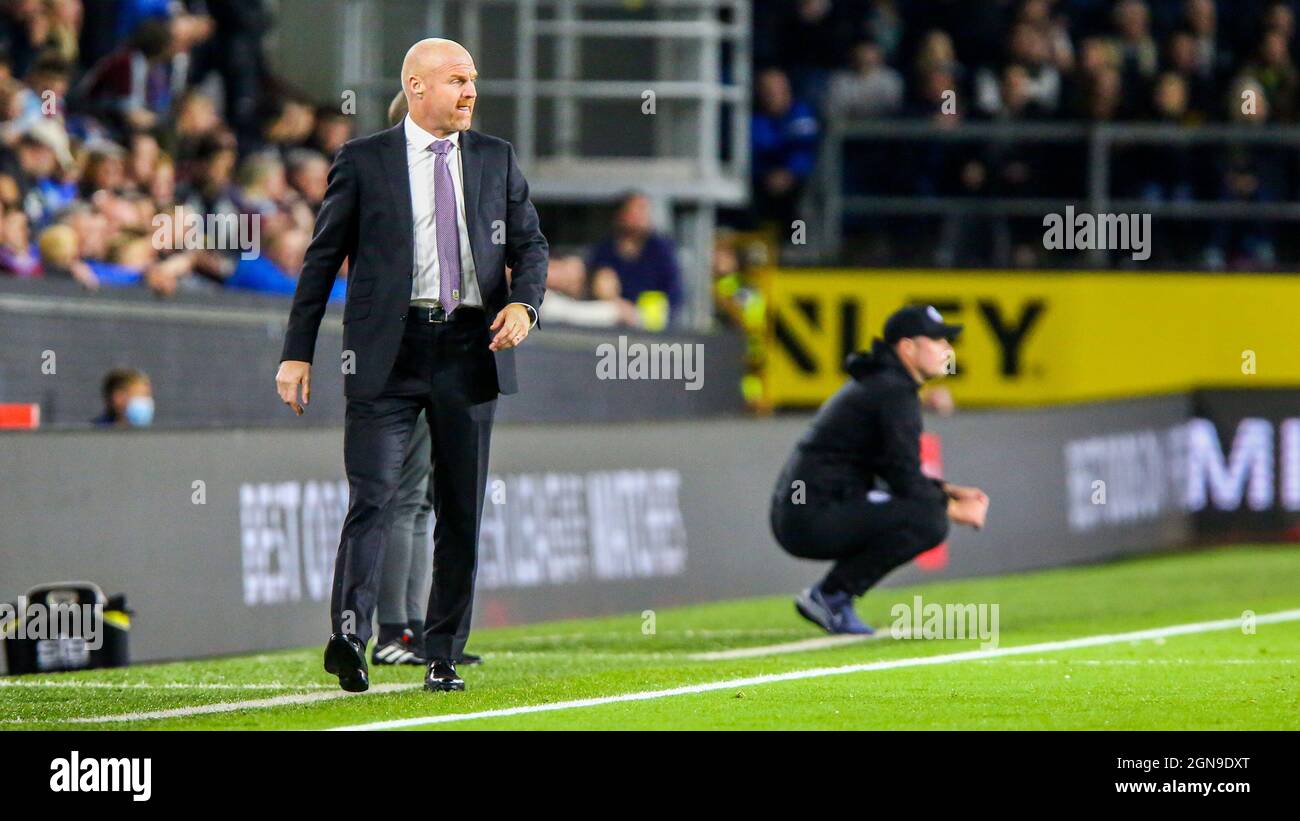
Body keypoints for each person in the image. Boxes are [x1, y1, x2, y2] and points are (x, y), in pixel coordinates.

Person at [275, 38, 546, 694]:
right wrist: (296, 352)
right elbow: (321, 260)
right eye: (457, 80)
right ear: (417, 87)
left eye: (473, 79)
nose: (470, 91)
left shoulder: (496, 159)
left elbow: (532, 244)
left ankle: (443, 651)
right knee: (372, 494)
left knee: (459, 508)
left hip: (468, 350)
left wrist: (525, 307)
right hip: (384, 354)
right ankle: (349, 632)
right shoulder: (363, 161)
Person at [769, 305, 989, 635]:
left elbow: (894, 469)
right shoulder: (894, 392)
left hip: (803, 511)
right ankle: (831, 596)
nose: (947, 349)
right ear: (908, 347)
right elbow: (904, 480)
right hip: (811, 515)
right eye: (937, 340)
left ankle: (831, 595)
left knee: (926, 508)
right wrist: (953, 507)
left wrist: (948, 491)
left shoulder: (884, 384)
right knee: (928, 519)